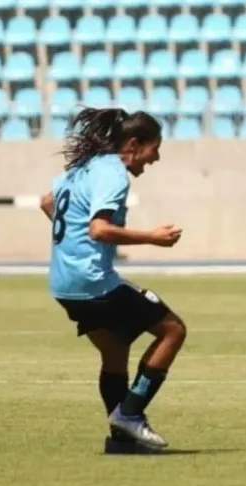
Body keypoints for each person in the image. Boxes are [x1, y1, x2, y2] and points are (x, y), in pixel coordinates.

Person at [39, 107, 187, 454]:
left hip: (64, 284)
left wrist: (73, 244)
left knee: (115, 351)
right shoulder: (113, 173)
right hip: (93, 281)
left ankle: (121, 440)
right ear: (133, 144)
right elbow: (99, 228)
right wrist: (152, 237)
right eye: (155, 147)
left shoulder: (81, 168)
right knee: (173, 330)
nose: (157, 157)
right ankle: (130, 415)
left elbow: (48, 202)